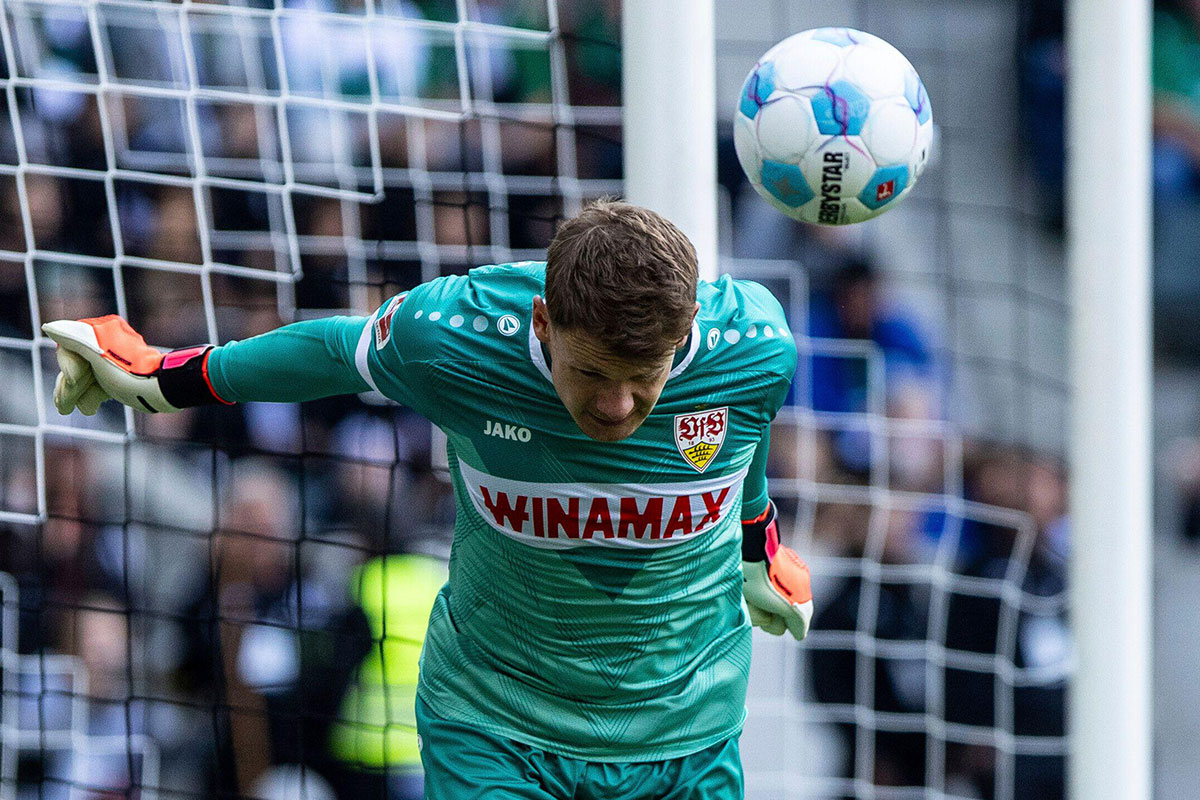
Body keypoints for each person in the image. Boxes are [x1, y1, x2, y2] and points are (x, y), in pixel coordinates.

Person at [42, 200, 813, 799]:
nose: (615, 410)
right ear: (545, 321)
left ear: (680, 343)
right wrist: (166, 378)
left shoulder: (753, 349)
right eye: (592, 376)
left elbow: (746, 436)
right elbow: (326, 352)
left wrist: (759, 543)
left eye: (642, 384)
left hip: (687, 729)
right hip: (497, 720)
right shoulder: (454, 339)